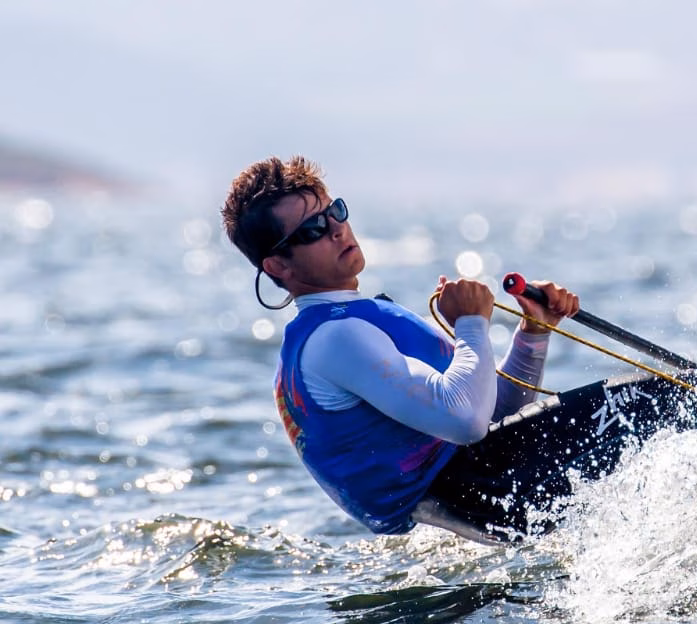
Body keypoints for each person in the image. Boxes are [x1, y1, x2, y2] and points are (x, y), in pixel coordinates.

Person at [220, 155, 605, 542]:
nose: (337, 229)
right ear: (278, 267)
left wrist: (533, 334)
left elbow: (492, 414)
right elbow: (467, 422)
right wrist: (471, 323)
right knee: (646, 401)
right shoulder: (335, 339)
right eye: (313, 229)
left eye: (334, 212)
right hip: (481, 489)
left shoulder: (351, 323)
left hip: (482, 491)